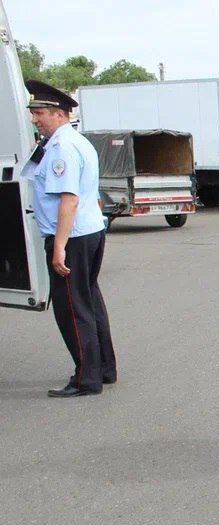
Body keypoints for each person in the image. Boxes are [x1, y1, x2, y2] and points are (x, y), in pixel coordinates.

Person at [21, 80, 117, 398]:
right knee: (89, 301)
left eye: (39, 112)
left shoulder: (62, 148)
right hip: (89, 231)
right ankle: (103, 369)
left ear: (59, 113)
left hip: (73, 236)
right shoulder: (72, 141)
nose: (35, 118)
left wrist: (59, 246)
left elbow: (69, 199)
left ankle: (85, 378)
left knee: (72, 309)